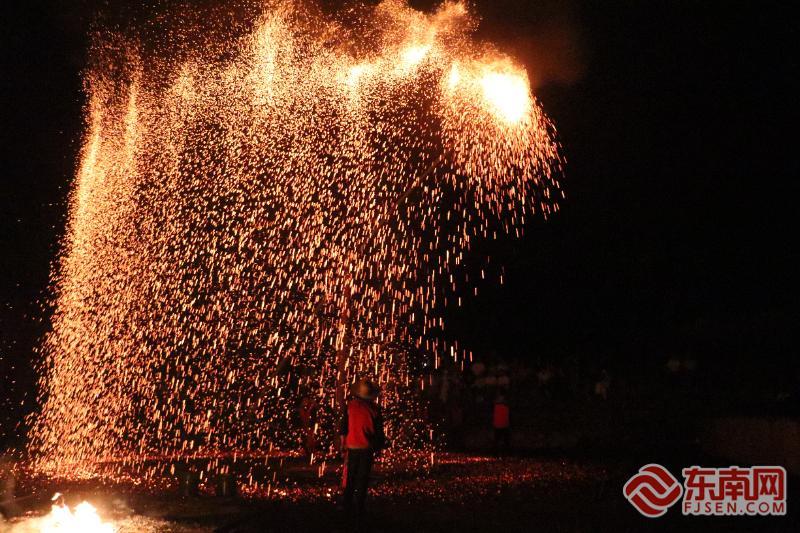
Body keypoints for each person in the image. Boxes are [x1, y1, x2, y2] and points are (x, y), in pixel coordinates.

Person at [340, 378, 385, 523]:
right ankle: (359, 508)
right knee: (362, 478)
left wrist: (343, 444)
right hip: (366, 448)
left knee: (350, 477)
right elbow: (379, 432)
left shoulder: (350, 406)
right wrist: (379, 447)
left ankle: (346, 507)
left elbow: (343, 427)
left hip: (352, 446)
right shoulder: (374, 409)